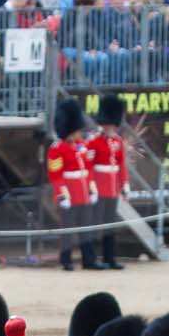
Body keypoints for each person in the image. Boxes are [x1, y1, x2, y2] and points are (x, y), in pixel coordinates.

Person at [47, 98, 99, 272]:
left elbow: (88, 169)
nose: (80, 133)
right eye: (78, 130)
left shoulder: (81, 146)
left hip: (83, 192)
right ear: (70, 130)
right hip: (69, 194)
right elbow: (55, 175)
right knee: (67, 230)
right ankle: (66, 260)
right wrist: (62, 195)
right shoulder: (57, 149)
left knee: (87, 229)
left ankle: (89, 260)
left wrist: (92, 189)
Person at [87, 92, 128, 270]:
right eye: (107, 124)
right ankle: (92, 259)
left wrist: (124, 184)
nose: (110, 128)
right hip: (98, 188)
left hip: (112, 189)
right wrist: (91, 186)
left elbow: (120, 165)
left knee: (110, 226)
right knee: (95, 225)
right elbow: (87, 166)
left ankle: (110, 257)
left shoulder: (117, 142)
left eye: (112, 125)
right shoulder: (93, 142)